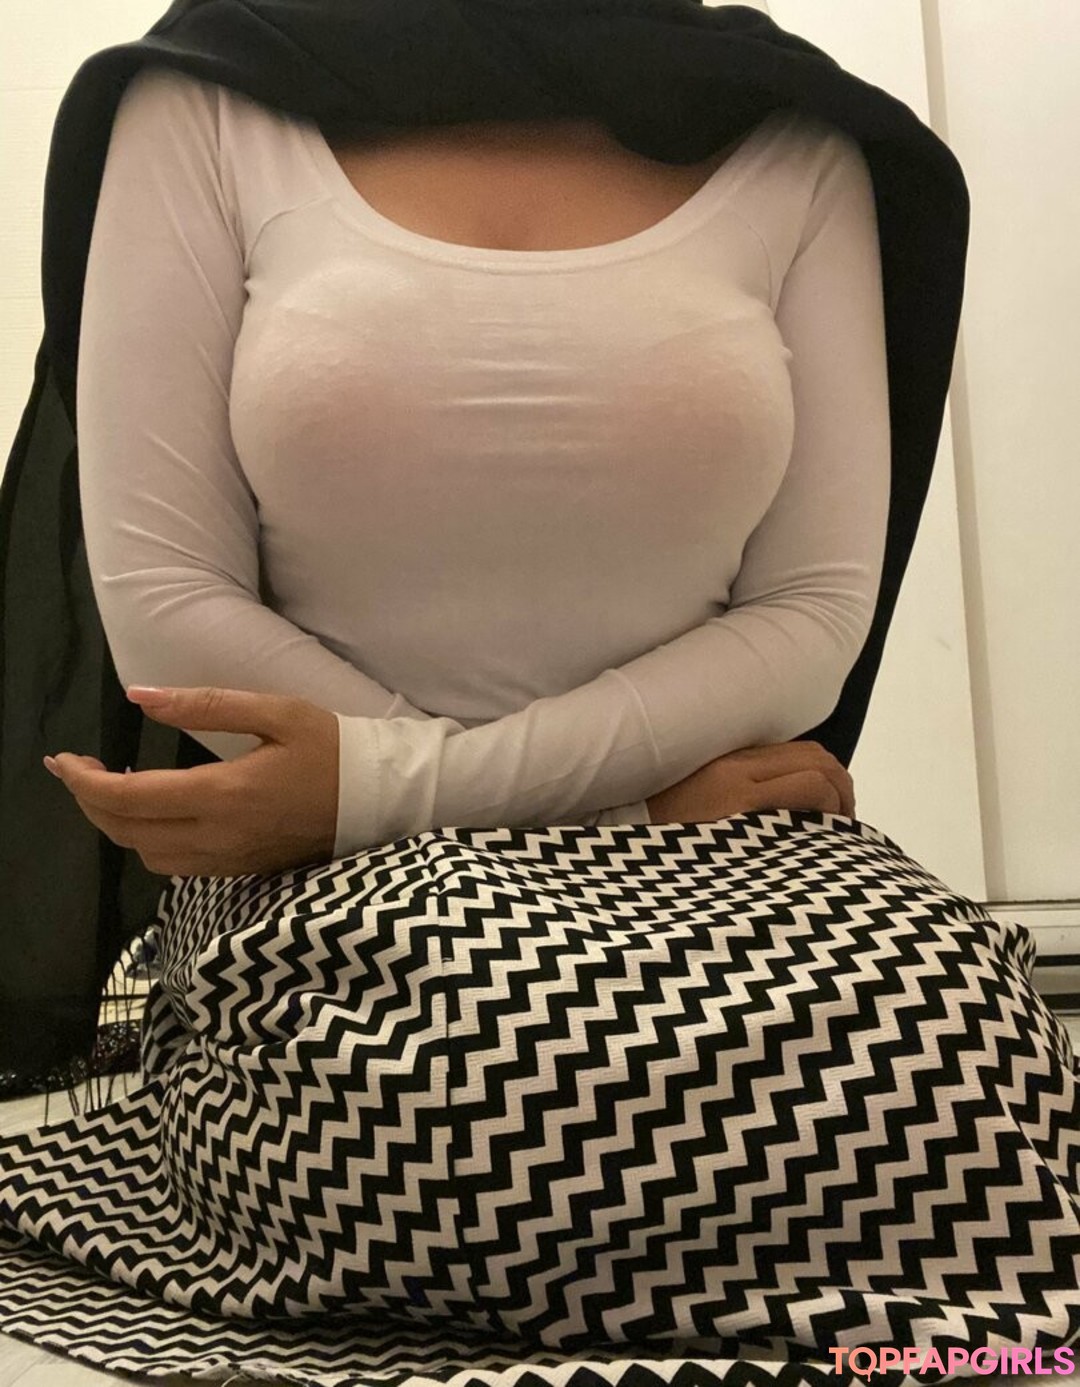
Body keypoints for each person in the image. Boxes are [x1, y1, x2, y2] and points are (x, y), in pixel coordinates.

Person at [0, 7, 1077, 1386]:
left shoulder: (801, 143)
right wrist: (411, 803)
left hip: (700, 848)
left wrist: (423, 783)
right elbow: (168, 597)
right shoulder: (207, 107)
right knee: (444, 1074)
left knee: (956, 1031)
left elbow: (812, 612)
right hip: (324, 858)